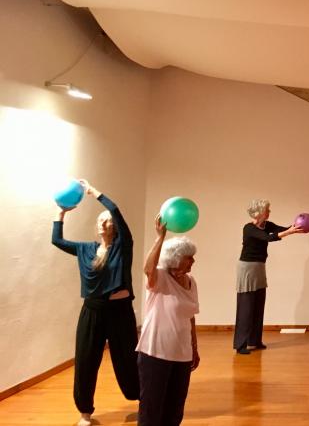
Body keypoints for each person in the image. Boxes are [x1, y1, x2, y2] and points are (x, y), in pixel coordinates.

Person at [51, 180, 139, 426]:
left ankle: (142, 399)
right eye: (100, 220)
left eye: (107, 220)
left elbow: (116, 211)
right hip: (92, 311)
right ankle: (85, 413)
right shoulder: (86, 249)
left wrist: (94, 192)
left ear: (114, 226)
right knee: (86, 361)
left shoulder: (123, 247)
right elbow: (57, 240)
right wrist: (61, 213)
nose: (103, 223)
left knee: (128, 360)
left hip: (120, 312)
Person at [136, 215, 199, 425]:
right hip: (155, 352)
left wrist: (194, 348)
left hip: (182, 353)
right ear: (176, 258)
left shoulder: (191, 282)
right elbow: (148, 269)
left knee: (175, 409)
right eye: (189, 257)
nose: (193, 261)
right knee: (151, 408)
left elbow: (190, 317)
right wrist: (160, 238)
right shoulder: (160, 277)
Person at [234, 199, 304, 354]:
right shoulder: (249, 228)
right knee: (246, 307)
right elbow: (269, 238)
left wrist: (297, 227)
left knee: (259, 303)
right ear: (259, 212)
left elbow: (282, 229)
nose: (269, 212)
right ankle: (240, 345)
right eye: (267, 209)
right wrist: (288, 232)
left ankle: (255, 341)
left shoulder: (268, 225)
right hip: (247, 269)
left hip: (259, 267)